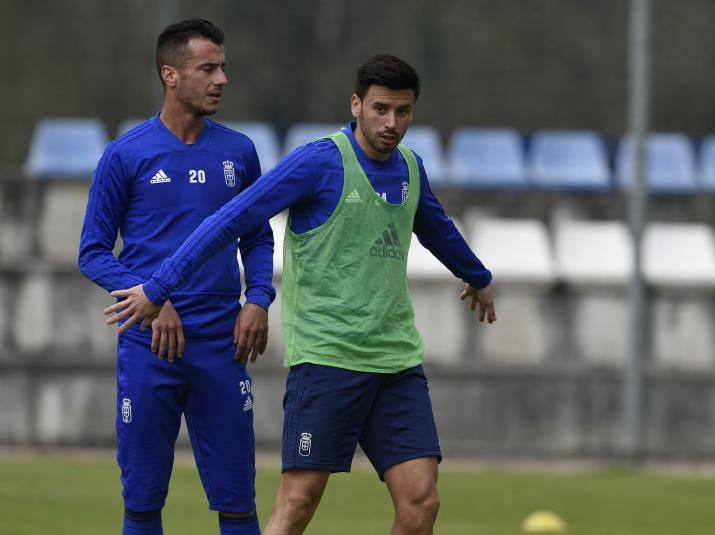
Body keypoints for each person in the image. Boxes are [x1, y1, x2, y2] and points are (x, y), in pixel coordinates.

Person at [104, 54, 496, 535]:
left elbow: (435, 227)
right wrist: (160, 287)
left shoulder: (410, 168)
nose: (392, 123)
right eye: (380, 109)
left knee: (421, 504)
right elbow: (231, 219)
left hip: (396, 362)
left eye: (403, 111)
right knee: (297, 505)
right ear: (356, 105)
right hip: (329, 360)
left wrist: (477, 276)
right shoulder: (319, 162)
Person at [78, 19, 272, 535]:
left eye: (223, 67)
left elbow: (257, 238)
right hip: (148, 345)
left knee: (237, 499)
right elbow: (93, 252)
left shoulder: (239, 152)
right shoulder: (127, 154)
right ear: (170, 74)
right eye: (207, 68)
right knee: (142, 499)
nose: (222, 79)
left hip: (222, 345)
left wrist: (258, 298)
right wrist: (153, 299)